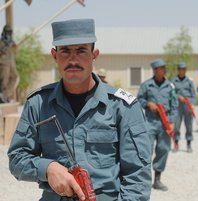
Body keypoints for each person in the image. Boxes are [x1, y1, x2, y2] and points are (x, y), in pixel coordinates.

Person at [7, 19, 152, 201]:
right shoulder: (38, 104)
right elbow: (17, 158)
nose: (72, 59)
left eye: (81, 50)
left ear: (94, 55)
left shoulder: (122, 106)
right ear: (54, 55)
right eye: (65, 51)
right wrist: (48, 168)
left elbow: (137, 175)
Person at [137, 59, 178, 191]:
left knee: (163, 149)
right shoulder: (146, 85)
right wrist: (148, 104)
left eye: (165, 67)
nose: (165, 70)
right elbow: (138, 100)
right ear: (155, 70)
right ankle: (144, 180)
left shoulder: (170, 86)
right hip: (150, 121)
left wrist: (172, 122)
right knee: (146, 150)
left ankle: (157, 180)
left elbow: (174, 105)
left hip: (165, 122)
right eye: (162, 68)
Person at [171, 62, 196, 153]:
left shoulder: (189, 81)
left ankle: (189, 144)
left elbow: (193, 94)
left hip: (187, 105)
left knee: (189, 126)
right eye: (181, 69)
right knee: (176, 126)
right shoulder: (173, 81)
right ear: (178, 70)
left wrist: (192, 105)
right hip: (177, 106)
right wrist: (178, 96)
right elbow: (171, 93)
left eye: (184, 69)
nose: (183, 71)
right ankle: (176, 144)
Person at [0, 24, 19, 103]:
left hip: (12, 63)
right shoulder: (1, 42)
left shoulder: (12, 42)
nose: (9, 34)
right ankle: (2, 96)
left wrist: (14, 46)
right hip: (3, 63)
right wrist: (5, 47)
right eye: (7, 32)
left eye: (10, 32)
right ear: (4, 32)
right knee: (4, 80)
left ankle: (5, 95)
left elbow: (16, 51)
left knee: (15, 77)